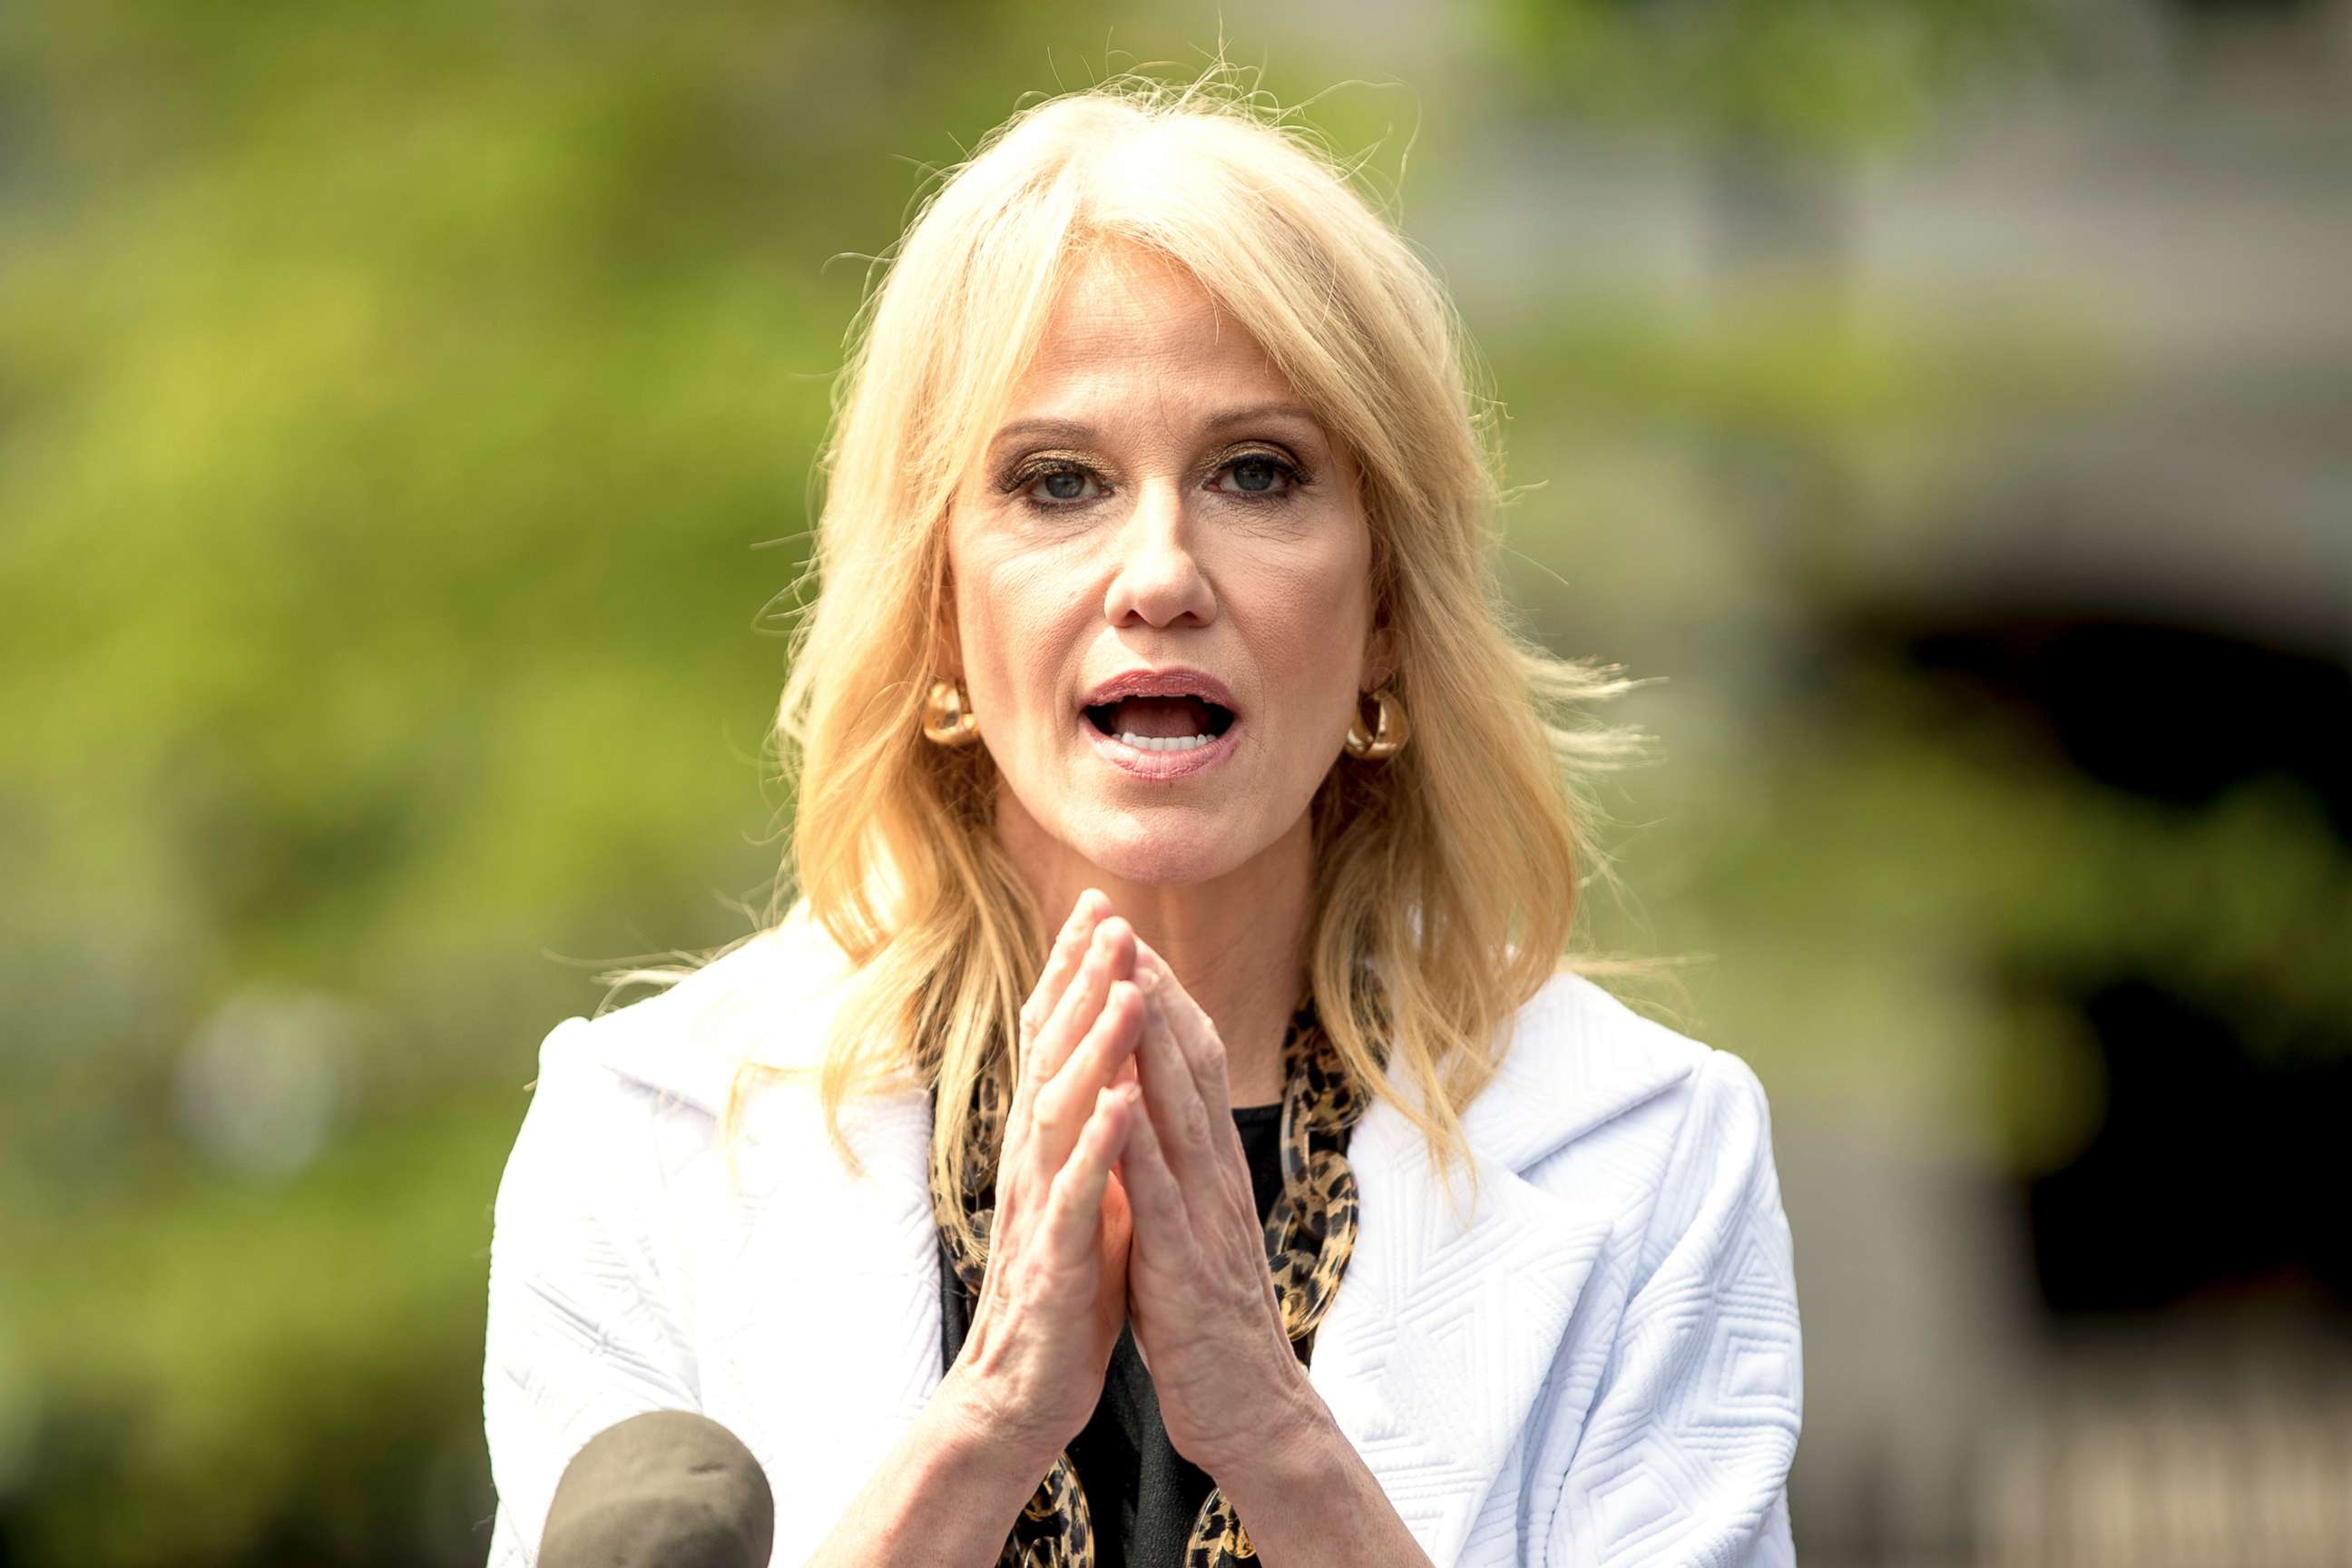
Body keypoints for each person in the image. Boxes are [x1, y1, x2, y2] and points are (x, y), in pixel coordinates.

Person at [480, 68, 1802, 1568]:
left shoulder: (1650, 1156)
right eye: (1059, 483)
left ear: (1383, 617)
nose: (1160, 572)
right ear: (934, 612)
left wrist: (1269, 1425)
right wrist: (987, 1426)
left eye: (1257, 473)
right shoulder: (642, 1139)